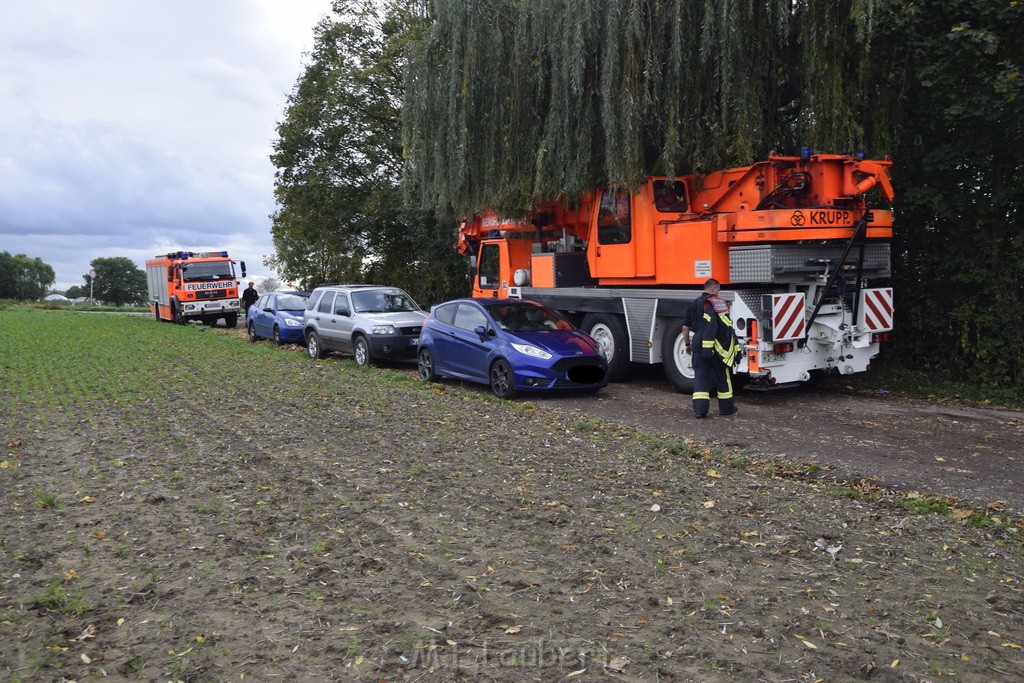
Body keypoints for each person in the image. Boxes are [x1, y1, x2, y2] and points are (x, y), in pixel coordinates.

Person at [681, 278, 739, 418]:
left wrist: (687, 344)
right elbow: (726, 328)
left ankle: (700, 411)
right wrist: (734, 347)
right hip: (716, 346)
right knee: (722, 376)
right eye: (718, 289)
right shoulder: (717, 303)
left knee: (700, 377)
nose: (719, 293)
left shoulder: (694, 304)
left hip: (698, 344)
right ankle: (726, 409)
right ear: (713, 288)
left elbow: (684, 328)